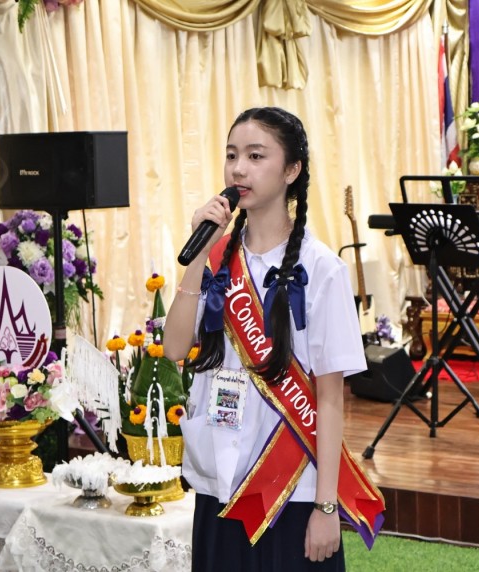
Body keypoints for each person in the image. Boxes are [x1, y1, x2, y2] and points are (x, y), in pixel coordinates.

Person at [164, 107, 384, 571]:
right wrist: (198, 255)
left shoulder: (322, 268)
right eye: (231, 155)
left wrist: (326, 506)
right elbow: (175, 348)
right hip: (219, 480)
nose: (238, 169)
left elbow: (330, 398)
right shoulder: (216, 257)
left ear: (291, 170)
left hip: (291, 489)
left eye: (255, 156)